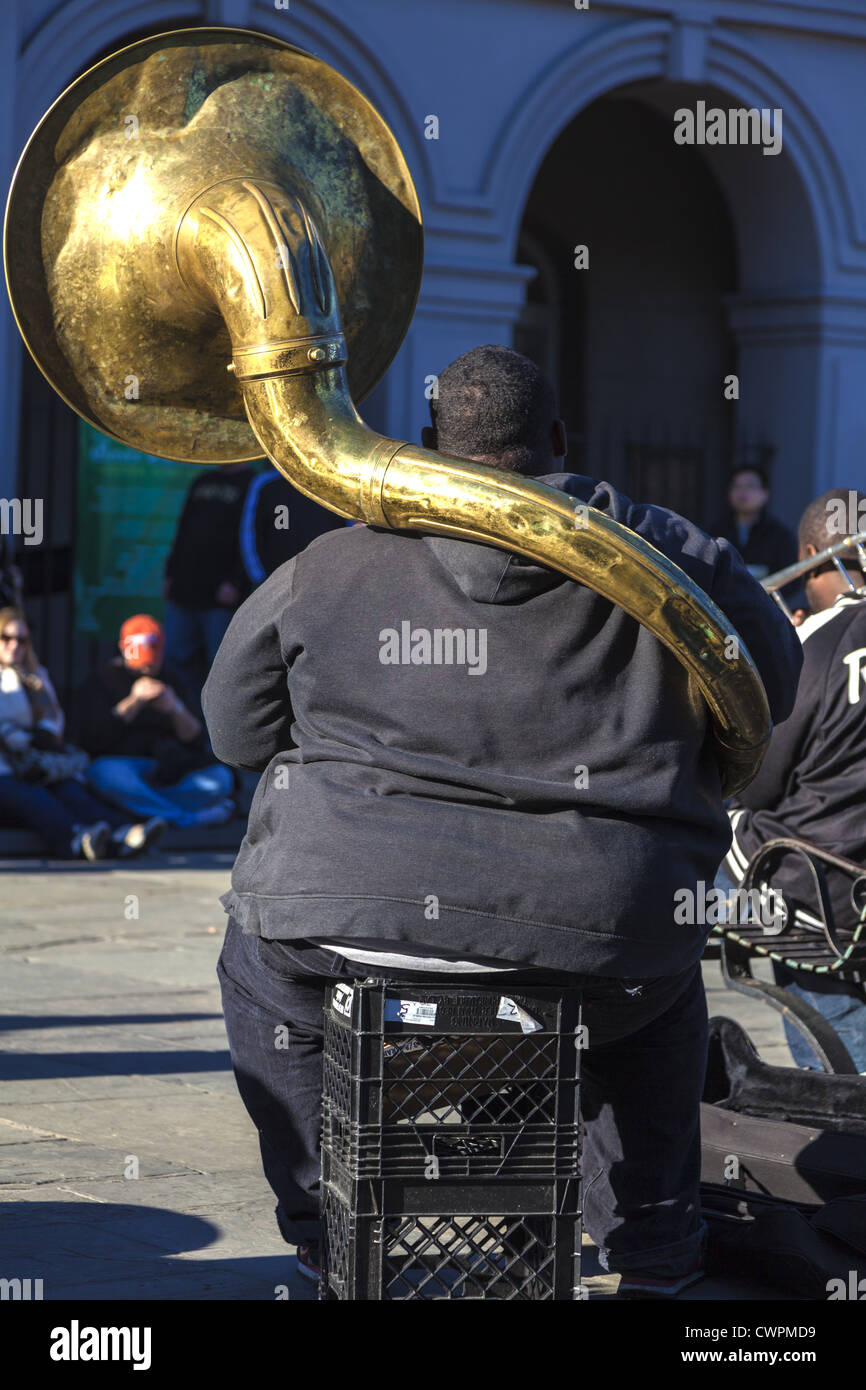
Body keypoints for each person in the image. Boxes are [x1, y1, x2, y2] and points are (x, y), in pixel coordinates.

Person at [203, 345, 801, 1296]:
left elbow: (234, 732)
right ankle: (651, 1259)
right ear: (561, 443)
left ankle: (322, 1222)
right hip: (607, 919)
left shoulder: (331, 560)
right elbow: (774, 686)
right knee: (654, 1013)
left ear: (433, 444)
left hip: (351, 920)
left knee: (258, 965)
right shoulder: (677, 553)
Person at [718, 488, 866, 1072]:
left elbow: (754, 784)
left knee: (679, 854)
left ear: (811, 554)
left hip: (819, 891)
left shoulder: (817, 641)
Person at [0, 607, 163, 859]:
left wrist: (45, 733)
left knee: (70, 790)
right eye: (6, 638)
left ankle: (122, 833)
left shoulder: (36, 675)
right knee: (36, 797)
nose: (14, 645)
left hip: (37, 760)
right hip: (6, 768)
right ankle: (76, 839)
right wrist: (20, 738)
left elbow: (54, 715)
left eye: (21, 639)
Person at [77, 614, 235, 829]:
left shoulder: (172, 679)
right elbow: (91, 740)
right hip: (123, 765)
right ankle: (187, 818)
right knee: (104, 774)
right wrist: (133, 702)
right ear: (123, 649)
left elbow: (197, 741)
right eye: (139, 664)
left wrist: (175, 708)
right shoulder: (102, 678)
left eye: (149, 664)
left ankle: (147, 810)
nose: (144, 670)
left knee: (220, 779)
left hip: (168, 770)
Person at [163, 460, 257, 714]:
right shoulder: (202, 481)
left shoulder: (253, 484)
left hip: (221, 597)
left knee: (220, 668)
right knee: (174, 659)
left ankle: (213, 738)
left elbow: (253, 536)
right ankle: (187, 723)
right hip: (184, 590)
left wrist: (236, 581)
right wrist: (170, 574)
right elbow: (183, 530)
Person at [239, 469, 344, 587]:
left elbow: (350, 531)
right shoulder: (266, 484)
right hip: (278, 584)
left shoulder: (336, 483)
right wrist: (261, 579)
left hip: (328, 582)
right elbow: (250, 534)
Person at [710, 465, 798, 584]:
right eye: (737, 486)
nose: (743, 492)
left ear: (764, 494)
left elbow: (792, 577)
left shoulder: (780, 535)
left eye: (750, 486)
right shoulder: (716, 532)